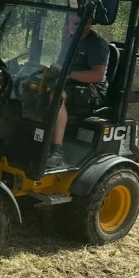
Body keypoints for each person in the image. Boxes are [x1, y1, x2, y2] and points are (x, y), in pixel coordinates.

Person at [47, 13, 109, 168]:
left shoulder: (97, 43)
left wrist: (67, 73)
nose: (76, 23)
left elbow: (97, 75)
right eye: (73, 20)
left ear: (89, 22)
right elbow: (62, 66)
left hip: (92, 90)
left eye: (82, 21)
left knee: (57, 96)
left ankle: (56, 151)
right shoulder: (70, 40)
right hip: (70, 83)